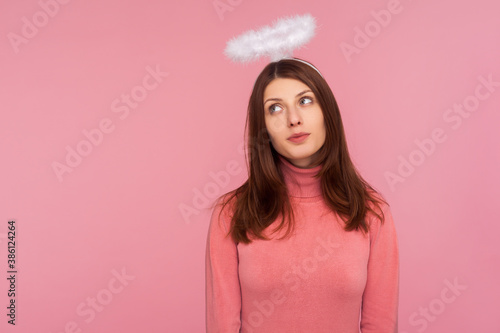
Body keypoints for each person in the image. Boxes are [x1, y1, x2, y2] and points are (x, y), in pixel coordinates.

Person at [205, 58, 399, 333]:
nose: (293, 119)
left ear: (327, 112)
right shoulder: (232, 213)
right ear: (264, 129)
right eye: (275, 108)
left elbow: (380, 325)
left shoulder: (371, 211)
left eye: (305, 101)